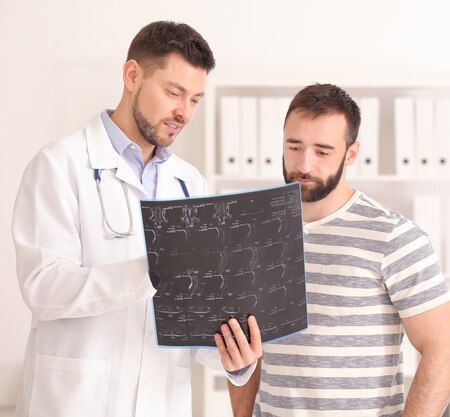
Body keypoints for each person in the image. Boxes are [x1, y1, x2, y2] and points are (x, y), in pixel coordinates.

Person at [11, 21, 262, 417]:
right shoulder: (60, 164)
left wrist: (234, 360)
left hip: (162, 403)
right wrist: (153, 271)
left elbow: (190, 321)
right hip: (77, 402)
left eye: (195, 99)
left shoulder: (190, 183)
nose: (184, 112)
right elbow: (43, 287)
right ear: (132, 75)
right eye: (174, 92)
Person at [228, 83, 450, 417]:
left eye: (322, 151)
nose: (304, 164)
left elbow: (444, 355)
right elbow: (247, 352)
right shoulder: (257, 235)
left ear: (351, 154)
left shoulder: (393, 236)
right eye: (294, 147)